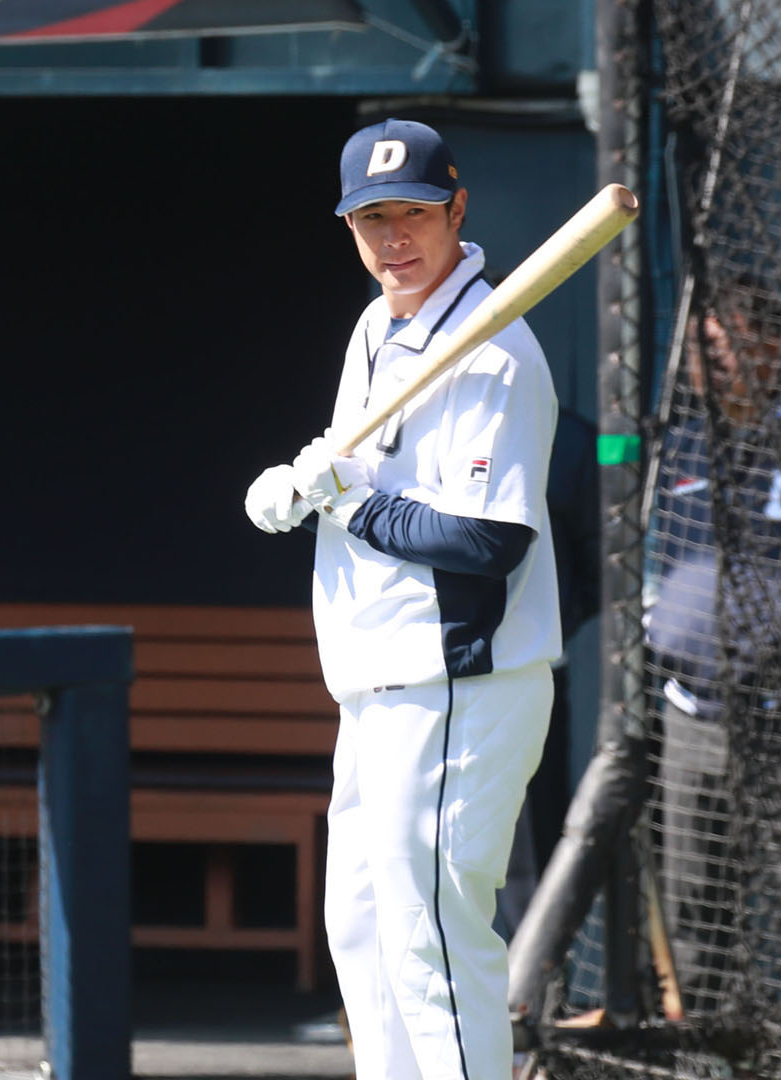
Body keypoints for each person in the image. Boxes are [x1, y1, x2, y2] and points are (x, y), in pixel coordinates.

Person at [242, 118, 561, 1080]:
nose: (394, 239)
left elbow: (488, 543)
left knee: (432, 941)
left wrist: (350, 503)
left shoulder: (496, 348)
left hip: (459, 681)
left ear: (457, 210)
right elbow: (365, 467)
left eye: (413, 214)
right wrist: (306, 486)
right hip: (376, 683)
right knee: (364, 930)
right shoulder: (377, 328)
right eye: (372, 219)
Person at [643, 280, 781, 1019]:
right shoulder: (676, 443)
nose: (711, 361)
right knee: (696, 913)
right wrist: (654, 617)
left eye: (728, 344)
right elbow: (647, 554)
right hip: (690, 715)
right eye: (701, 347)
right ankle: (713, 1054)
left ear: (771, 347)